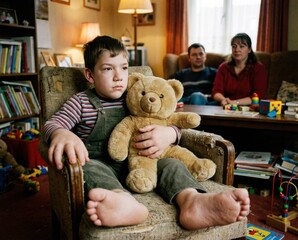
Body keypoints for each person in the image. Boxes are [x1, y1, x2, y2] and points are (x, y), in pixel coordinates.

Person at [42, 35, 250, 230]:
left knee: (172, 164)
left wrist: (169, 133)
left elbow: (170, 120)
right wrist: (62, 133)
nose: (118, 77)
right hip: (103, 164)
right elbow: (51, 124)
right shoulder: (81, 102)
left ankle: (192, 201)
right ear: (90, 75)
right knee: (90, 169)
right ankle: (122, 202)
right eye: (107, 69)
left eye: (123, 68)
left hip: (144, 162)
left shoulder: (137, 95)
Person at [212, 33, 268, 106]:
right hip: (225, 107)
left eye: (241, 46)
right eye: (234, 46)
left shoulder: (258, 68)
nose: (237, 50)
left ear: (249, 49)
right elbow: (216, 91)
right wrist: (223, 100)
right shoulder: (223, 67)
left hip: (248, 108)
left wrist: (234, 102)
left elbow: (258, 95)